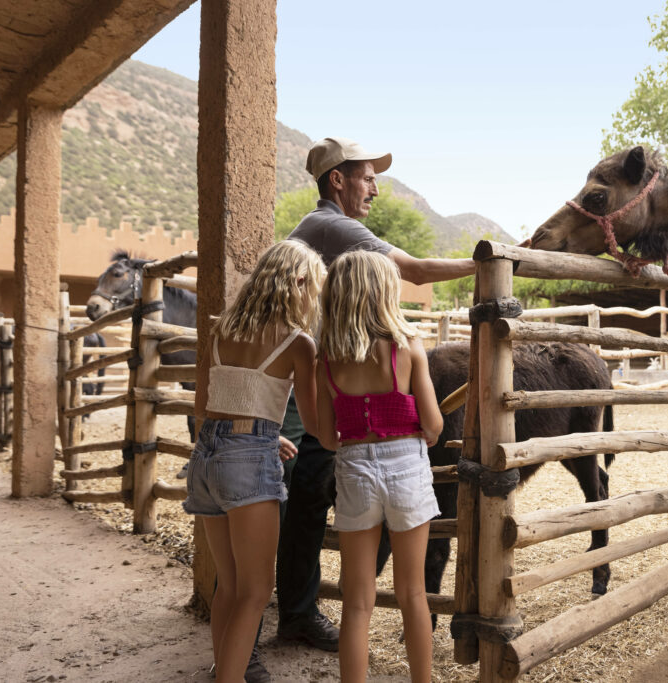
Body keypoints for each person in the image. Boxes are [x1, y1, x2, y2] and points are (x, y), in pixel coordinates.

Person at [274, 136, 475, 652]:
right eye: (368, 177)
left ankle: (297, 609)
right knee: (308, 489)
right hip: (309, 387)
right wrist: (488, 265)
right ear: (337, 180)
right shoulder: (333, 225)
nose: (375, 190)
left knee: (308, 491)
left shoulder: (319, 229)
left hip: (309, 380)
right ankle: (291, 614)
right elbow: (416, 271)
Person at [183, 240, 325, 683]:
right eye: (313, 288)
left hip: (207, 457)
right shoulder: (297, 341)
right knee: (258, 590)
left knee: (229, 584)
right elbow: (317, 422)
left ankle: (221, 667)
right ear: (299, 281)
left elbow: (210, 403)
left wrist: (267, 431)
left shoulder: (223, 328)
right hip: (247, 462)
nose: (313, 299)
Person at [315, 249, 442, 683]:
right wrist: (422, 431)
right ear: (383, 292)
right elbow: (433, 423)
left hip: (353, 470)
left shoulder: (326, 359)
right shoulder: (407, 347)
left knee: (356, 600)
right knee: (412, 593)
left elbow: (326, 436)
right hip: (405, 465)